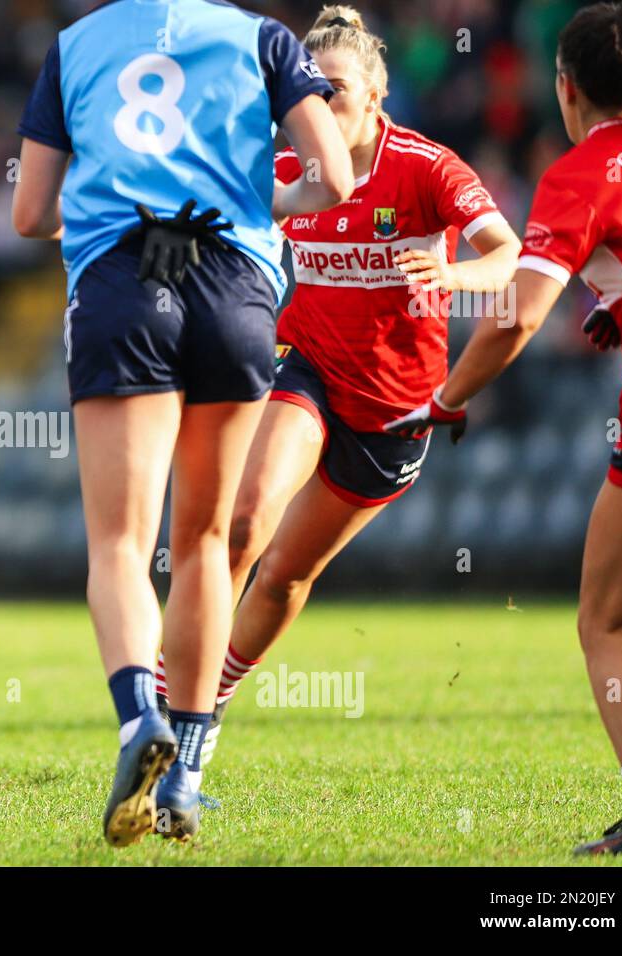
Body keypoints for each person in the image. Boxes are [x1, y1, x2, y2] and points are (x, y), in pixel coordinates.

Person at [13, 0, 352, 844]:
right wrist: (265, 198)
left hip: (125, 284)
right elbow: (337, 180)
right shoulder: (264, 39)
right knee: (203, 541)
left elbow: (28, 213)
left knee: (122, 543)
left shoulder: (74, 45)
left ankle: (139, 721)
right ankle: (186, 776)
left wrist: (103, 211)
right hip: (232, 283)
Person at [155, 5, 521, 774]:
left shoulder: (426, 167)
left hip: (397, 410)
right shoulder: (286, 170)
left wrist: (455, 274)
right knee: (246, 521)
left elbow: (508, 256)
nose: (319, 105)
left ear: (379, 97)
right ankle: (167, 716)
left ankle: (209, 706)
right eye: (305, 92)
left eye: (337, 90)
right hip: (306, 366)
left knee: (287, 574)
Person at [384, 0, 622, 856]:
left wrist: (447, 397)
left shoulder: (585, 171)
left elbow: (515, 315)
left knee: (607, 622)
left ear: (567, 86)